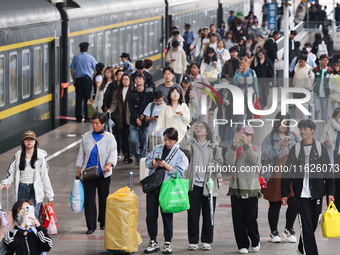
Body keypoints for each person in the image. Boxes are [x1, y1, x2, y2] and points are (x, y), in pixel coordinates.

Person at [281, 119, 335, 255]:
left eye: (306, 129)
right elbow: (288, 171)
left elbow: (328, 171)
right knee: (305, 225)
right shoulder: (296, 148)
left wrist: (330, 192)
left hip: (317, 192)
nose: (302, 131)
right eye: (301, 129)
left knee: (312, 224)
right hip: (301, 194)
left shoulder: (319, 148)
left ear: (312, 131)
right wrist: (284, 193)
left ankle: (301, 248)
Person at [179, 122, 223, 251]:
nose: (198, 129)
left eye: (201, 127)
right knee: (193, 214)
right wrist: (189, 131)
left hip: (209, 185)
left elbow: (221, 164)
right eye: (197, 127)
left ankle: (206, 240)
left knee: (208, 214)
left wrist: (213, 166)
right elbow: (182, 147)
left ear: (207, 132)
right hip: (194, 185)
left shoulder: (213, 147)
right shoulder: (191, 145)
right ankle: (193, 241)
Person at [144, 128, 186, 254]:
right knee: (151, 215)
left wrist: (166, 166)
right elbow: (147, 162)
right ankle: (153, 240)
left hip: (167, 187)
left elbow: (179, 173)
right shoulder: (157, 148)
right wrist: (154, 163)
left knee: (167, 215)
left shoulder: (179, 155)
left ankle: (168, 242)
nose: (167, 142)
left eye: (170, 140)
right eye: (166, 139)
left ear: (176, 141)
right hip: (153, 186)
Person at [76, 113, 117, 234]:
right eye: (93, 123)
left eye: (97, 124)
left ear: (103, 124)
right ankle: (91, 225)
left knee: (103, 198)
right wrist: (78, 170)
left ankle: (103, 222)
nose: (94, 126)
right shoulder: (86, 137)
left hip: (103, 174)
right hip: (88, 173)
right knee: (89, 200)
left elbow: (113, 153)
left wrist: (109, 165)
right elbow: (81, 154)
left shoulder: (110, 138)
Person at [261, 113, 299, 244]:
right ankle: (274, 232)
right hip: (275, 174)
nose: (284, 126)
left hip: (291, 174)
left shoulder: (294, 136)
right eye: (281, 122)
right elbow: (265, 156)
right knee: (275, 203)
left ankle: (289, 229)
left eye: (286, 123)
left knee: (294, 202)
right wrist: (279, 146)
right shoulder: (270, 138)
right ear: (277, 123)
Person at [0, 130, 54, 218]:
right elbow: (11, 174)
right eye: (26, 139)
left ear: (35, 141)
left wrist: (50, 195)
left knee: (33, 217)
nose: (29, 142)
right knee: (21, 216)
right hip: (21, 189)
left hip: (35, 190)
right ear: (23, 142)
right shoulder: (18, 156)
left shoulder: (40, 157)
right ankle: (24, 232)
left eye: (31, 139)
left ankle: (31, 232)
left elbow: (45, 177)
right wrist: (5, 183)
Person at [225, 126, 261, 254]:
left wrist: (246, 145)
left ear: (252, 136)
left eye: (247, 134)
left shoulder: (256, 149)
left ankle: (255, 240)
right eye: (242, 134)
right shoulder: (236, 149)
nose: (245, 136)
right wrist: (235, 144)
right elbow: (228, 161)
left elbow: (255, 162)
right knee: (238, 218)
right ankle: (242, 244)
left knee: (251, 218)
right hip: (236, 188)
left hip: (251, 188)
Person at [128, 74, 154, 165]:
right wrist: (137, 118)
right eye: (136, 79)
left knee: (144, 142)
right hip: (134, 121)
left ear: (144, 81)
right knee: (133, 140)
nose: (138, 80)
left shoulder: (149, 93)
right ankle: (137, 155)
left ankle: (142, 161)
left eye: (140, 79)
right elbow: (131, 108)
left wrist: (144, 115)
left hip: (146, 121)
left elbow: (151, 105)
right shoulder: (132, 93)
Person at [108, 74, 133, 164]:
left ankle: (130, 155)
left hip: (130, 118)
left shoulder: (132, 91)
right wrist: (110, 110)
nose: (125, 81)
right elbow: (114, 103)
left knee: (130, 137)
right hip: (121, 118)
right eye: (124, 79)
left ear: (130, 81)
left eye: (127, 79)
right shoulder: (118, 91)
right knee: (123, 137)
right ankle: (126, 155)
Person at [70, 42, 97, 122]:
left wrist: (74, 79)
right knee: (88, 99)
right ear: (87, 49)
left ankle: (78, 117)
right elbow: (95, 70)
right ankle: (88, 117)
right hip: (87, 80)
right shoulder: (91, 58)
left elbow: (71, 70)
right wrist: (92, 79)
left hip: (78, 80)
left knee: (78, 99)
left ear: (80, 49)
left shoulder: (76, 58)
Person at [320, 107, 340, 209]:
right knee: (332, 185)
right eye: (339, 116)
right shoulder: (328, 127)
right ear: (334, 117)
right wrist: (325, 143)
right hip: (331, 159)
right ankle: (331, 210)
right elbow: (321, 145)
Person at [313, 54, 332, 123]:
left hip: (326, 94)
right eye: (323, 60)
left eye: (326, 60)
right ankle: (316, 123)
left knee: (325, 112)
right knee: (317, 109)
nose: (324, 62)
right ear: (320, 61)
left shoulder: (330, 70)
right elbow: (312, 79)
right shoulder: (316, 69)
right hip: (317, 93)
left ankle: (324, 125)